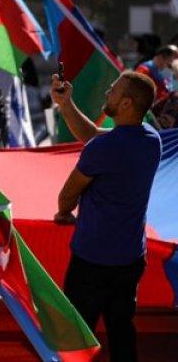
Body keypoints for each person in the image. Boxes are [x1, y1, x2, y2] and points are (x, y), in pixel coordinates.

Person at [52, 70, 161, 362]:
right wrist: (66, 104)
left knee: (76, 337)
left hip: (91, 261)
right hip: (130, 258)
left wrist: (63, 213)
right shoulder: (152, 140)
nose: (106, 93)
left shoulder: (103, 148)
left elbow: (68, 194)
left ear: (126, 103)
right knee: (122, 333)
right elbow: (93, 137)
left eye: (112, 90)